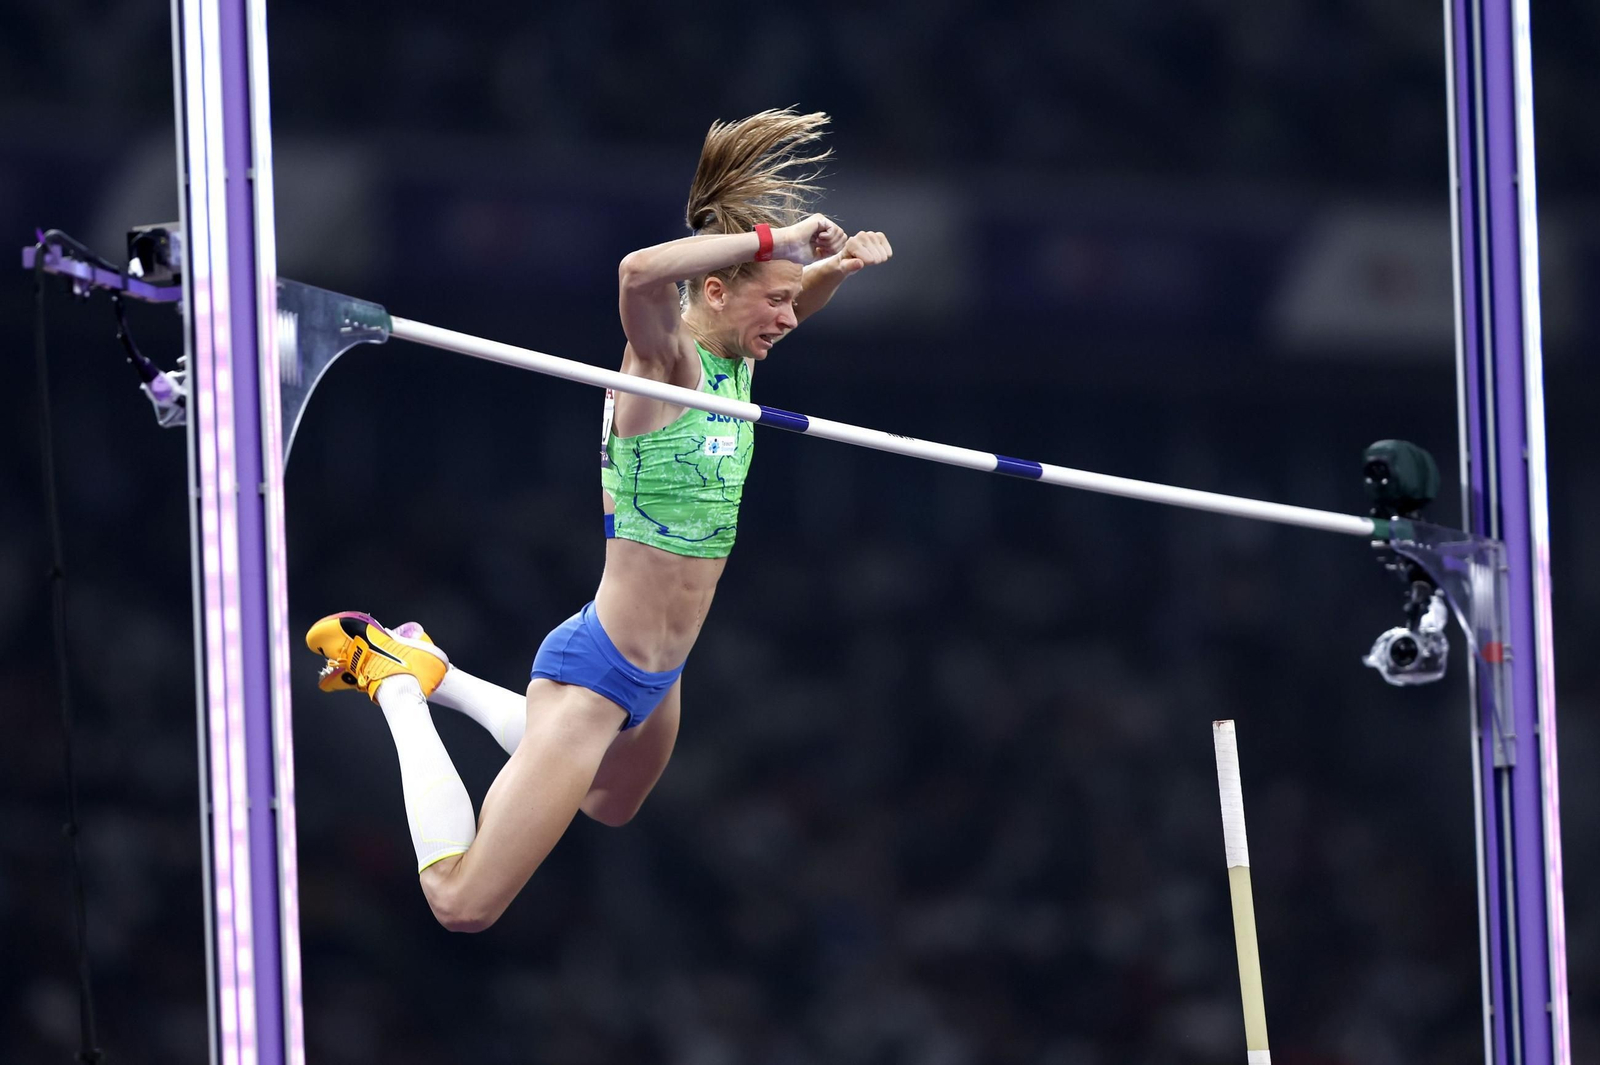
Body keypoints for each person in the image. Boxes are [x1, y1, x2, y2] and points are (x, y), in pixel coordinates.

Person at [305, 109, 893, 933]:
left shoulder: (732, 361)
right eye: (777, 303)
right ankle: (398, 682)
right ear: (718, 289)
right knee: (462, 903)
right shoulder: (666, 364)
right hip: (598, 671)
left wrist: (834, 268)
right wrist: (780, 238)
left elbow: (788, 300)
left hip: (664, 673)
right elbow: (637, 271)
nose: (791, 320)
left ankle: (443, 673)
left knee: (610, 803)